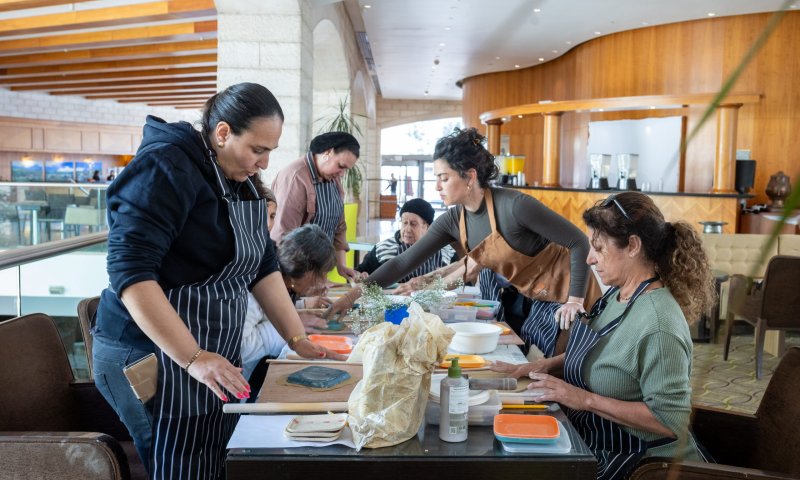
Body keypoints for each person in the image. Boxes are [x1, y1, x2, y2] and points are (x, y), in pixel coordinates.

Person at [91, 83, 342, 479]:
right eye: (257, 150)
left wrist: (297, 339)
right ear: (222, 133)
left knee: (210, 459)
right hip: (149, 353)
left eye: (269, 153)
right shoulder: (165, 167)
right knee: (174, 462)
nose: (263, 164)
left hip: (206, 351)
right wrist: (193, 356)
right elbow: (130, 273)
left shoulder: (234, 177)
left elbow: (262, 265)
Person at [494, 192, 716, 479]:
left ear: (633, 246)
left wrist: (584, 399)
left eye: (598, 248)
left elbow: (669, 420)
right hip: (597, 444)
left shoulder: (660, 324)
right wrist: (538, 366)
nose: (588, 259)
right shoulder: (618, 295)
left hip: (644, 466)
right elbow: (605, 352)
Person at [330, 128, 596, 358]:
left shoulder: (515, 206)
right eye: (436, 178)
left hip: (571, 294)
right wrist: (352, 295)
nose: (437, 187)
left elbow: (579, 241)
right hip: (534, 294)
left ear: (469, 177)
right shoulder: (453, 220)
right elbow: (402, 262)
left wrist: (575, 299)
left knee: (567, 367)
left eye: (443, 178)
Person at [241, 217, 335, 381]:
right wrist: (292, 327)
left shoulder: (284, 283)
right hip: (237, 381)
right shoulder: (254, 293)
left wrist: (301, 305)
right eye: (321, 274)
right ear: (305, 271)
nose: (323, 281)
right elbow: (243, 348)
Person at [271, 131, 361, 282]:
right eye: (341, 166)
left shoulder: (333, 179)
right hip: (294, 276)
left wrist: (341, 266)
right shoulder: (295, 178)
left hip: (317, 275)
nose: (342, 174)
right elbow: (282, 238)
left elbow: (339, 226)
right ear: (327, 153)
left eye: (346, 169)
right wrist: (301, 282)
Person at [355, 197, 457, 280]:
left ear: (428, 227)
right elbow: (358, 273)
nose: (407, 229)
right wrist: (360, 276)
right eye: (404, 223)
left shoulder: (445, 251)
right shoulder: (383, 249)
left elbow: (463, 279)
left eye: (413, 224)